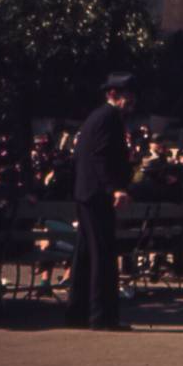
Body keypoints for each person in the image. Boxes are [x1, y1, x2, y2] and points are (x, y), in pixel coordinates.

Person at [67, 72, 137, 330]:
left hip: (87, 192)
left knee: (86, 255)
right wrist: (114, 189)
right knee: (104, 255)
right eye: (126, 94)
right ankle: (103, 317)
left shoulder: (97, 117)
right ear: (111, 94)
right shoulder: (109, 118)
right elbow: (99, 157)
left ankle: (77, 313)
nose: (131, 99)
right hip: (98, 194)